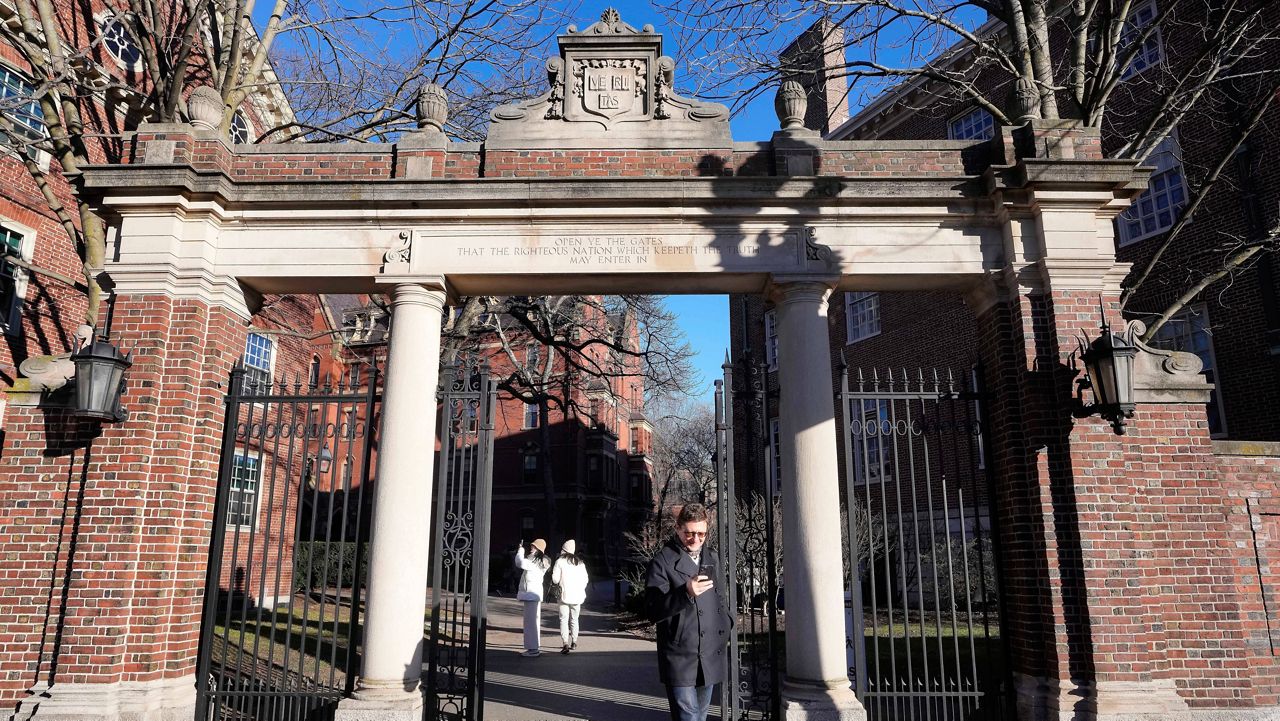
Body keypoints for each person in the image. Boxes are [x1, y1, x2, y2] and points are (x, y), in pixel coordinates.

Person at [645, 503, 733, 721]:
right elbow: (653, 610)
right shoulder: (662, 562)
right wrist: (685, 592)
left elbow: (720, 596)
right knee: (688, 717)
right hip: (680, 655)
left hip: (711, 652)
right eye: (689, 533)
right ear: (677, 529)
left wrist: (726, 622)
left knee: (701, 716)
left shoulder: (711, 557)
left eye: (701, 534)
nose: (695, 539)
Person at [551, 539, 589, 654]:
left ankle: (565, 643)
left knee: (563, 619)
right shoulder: (580, 563)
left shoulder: (560, 561)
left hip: (564, 595)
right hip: (577, 596)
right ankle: (574, 641)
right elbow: (586, 579)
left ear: (564, 550)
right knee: (574, 619)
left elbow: (555, 579)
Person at [514, 538, 551, 657]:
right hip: (534, 594)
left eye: (533, 546)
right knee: (533, 622)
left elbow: (519, 563)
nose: (531, 548)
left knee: (530, 623)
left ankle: (533, 649)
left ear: (538, 548)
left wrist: (520, 550)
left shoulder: (535, 561)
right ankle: (533, 648)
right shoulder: (540, 561)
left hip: (531, 594)